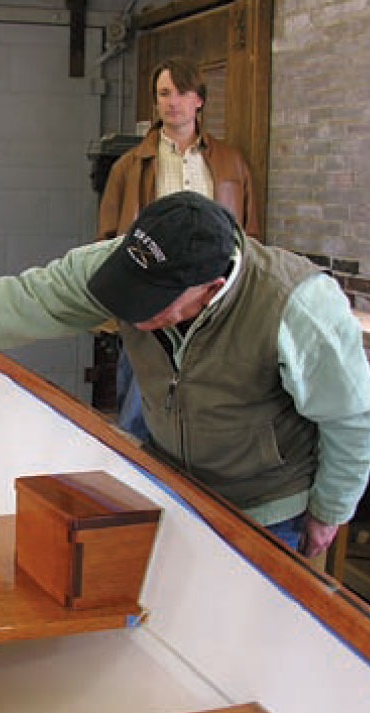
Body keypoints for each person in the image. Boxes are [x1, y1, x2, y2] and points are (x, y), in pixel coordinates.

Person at [0, 192, 370, 557]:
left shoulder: (297, 305)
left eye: (155, 302)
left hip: (270, 510)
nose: (133, 314)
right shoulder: (128, 262)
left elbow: (351, 419)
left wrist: (329, 515)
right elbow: (13, 302)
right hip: (174, 484)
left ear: (211, 285)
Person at [97, 57, 260, 442]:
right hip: (150, 297)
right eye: (164, 93)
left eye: (182, 92)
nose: (173, 102)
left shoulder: (230, 162)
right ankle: (135, 483)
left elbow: (250, 233)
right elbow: (106, 237)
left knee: (206, 403)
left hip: (211, 298)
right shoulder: (130, 166)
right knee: (138, 405)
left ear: (199, 99)